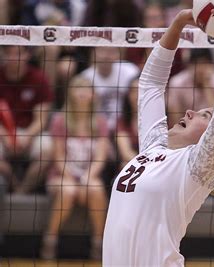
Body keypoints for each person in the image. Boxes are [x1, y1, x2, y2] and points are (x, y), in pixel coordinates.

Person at [102, 8, 214, 266]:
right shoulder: (152, 147)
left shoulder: (197, 166)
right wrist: (178, 24)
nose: (190, 111)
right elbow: (150, 83)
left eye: (205, 115)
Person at [40, 75, 109, 260]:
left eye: (86, 89)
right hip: (61, 175)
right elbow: (58, 157)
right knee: (68, 190)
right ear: (70, 93)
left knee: (95, 187)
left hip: (88, 176)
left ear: (93, 95)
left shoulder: (100, 122)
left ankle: (99, 244)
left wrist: (87, 177)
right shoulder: (60, 120)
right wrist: (71, 177)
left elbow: (101, 157)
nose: (82, 93)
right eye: (78, 89)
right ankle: (50, 241)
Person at [0, 45, 53, 194]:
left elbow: (41, 119)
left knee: (48, 149)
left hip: (29, 132)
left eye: (17, 53)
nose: (13, 57)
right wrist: (5, 136)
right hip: (3, 133)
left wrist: (26, 137)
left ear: (27, 55)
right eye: (9, 53)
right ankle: (13, 184)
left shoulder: (38, 78)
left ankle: (21, 192)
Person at [116, 77, 139, 168]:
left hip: (155, 166)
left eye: (141, 90)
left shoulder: (160, 120)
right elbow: (126, 153)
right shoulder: (122, 122)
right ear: (128, 95)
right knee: (125, 164)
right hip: (134, 166)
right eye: (134, 91)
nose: (137, 95)